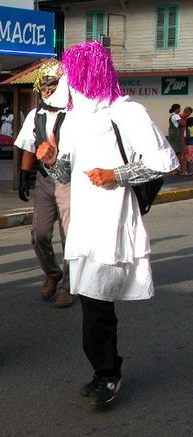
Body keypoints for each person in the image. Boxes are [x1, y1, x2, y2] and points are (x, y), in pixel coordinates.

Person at [35, 41, 178, 409]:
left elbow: (164, 162)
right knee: (93, 303)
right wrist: (51, 160)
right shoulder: (71, 119)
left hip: (111, 219)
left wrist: (116, 173)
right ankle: (107, 370)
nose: (68, 79)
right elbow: (64, 173)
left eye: (73, 72)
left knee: (97, 305)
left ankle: (108, 374)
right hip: (83, 222)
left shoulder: (124, 111)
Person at [14, 59, 73, 308]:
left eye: (52, 85)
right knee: (39, 233)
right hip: (45, 180)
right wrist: (24, 178)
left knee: (70, 236)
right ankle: (52, 273)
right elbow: (29, 145)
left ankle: (69, 286)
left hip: (69, 181)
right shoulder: (35, 114)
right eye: (44, 86)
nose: (47, 90)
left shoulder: (73, 113)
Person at [166, 104, 190, 175]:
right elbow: (183, 123)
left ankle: (176, 170)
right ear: (176, 109)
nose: (180, 110)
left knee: (177, 154)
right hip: (177, 137)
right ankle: (183, 171)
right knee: (183, 153)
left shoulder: (171, 116)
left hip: (172, 137)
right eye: (179, 109)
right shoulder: (176, 116)